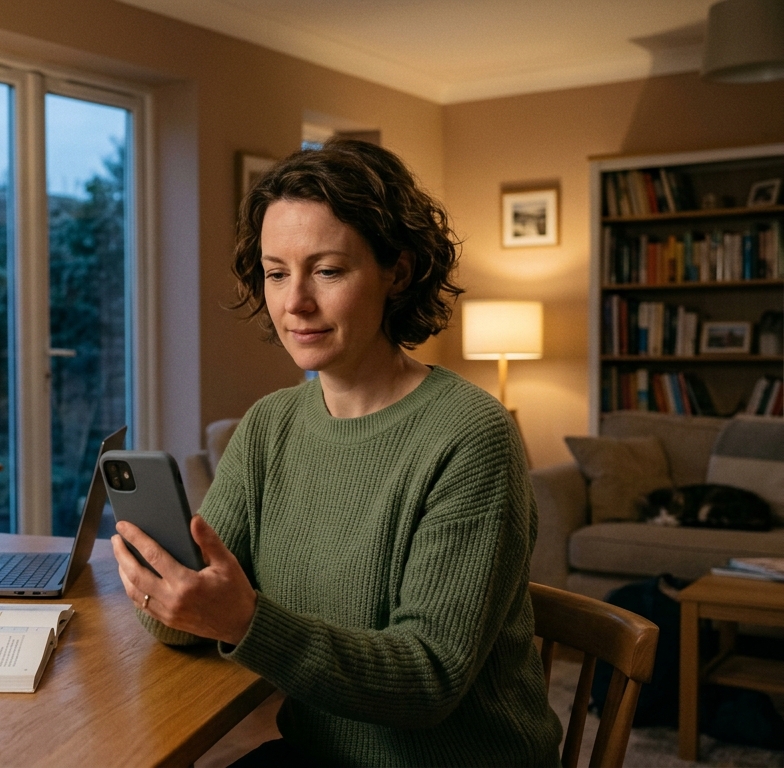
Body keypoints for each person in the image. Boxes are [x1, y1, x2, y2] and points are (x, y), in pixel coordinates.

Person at [112, 140, 563, 766]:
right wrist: (164, 590)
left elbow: (429, 679)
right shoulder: (270, 426)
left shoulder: (470, 435)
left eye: (326, 270)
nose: (295, 301)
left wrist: (244, 622)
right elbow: (189, 621)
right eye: (276, 272)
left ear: (396, 273)